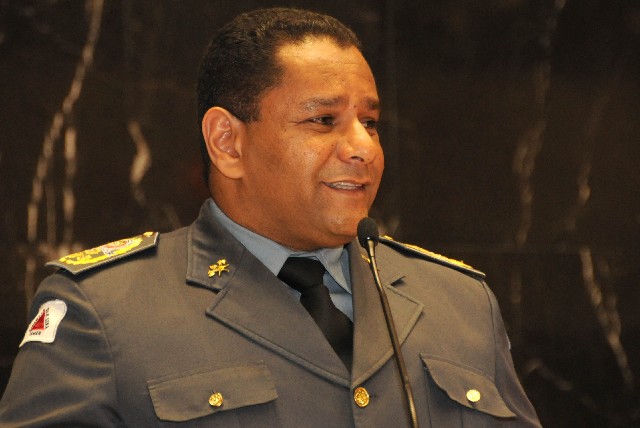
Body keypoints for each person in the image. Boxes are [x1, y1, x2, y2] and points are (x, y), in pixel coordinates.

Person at [0, 7, 541, 427]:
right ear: (227, 142)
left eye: (371, 122)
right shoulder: (104, 312)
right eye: (323, 120)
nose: (364, 148)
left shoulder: (461, 303)